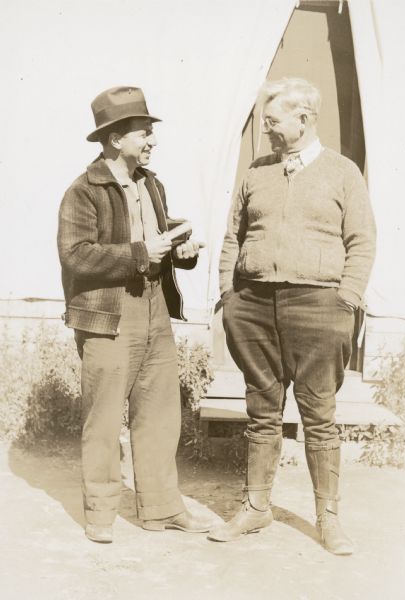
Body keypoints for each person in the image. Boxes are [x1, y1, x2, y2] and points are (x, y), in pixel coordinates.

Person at [208, 78, 376, 555]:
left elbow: (362, 241)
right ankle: (256, 508)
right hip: (254, 305)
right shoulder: (256, 173)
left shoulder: (343, 173)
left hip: (320, 306)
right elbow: (232, 239)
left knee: (319, 415)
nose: (265, 128)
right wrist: (229, 293)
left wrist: (346, 300)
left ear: (304, 120)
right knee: (262, 412)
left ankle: (329, 519)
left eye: (273, 119)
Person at [58, 86, 211, 543]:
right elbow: (76, 255)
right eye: (143, 133)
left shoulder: (151, 183)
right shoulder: (83, 191)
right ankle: (101, 514)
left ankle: (162, 509)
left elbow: (155, 242)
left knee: (160, 413)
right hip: (108, 314)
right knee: (104, 419)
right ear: (114, 139)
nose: (151, 141)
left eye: (150, 133)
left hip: (154, 308)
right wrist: (143, 251)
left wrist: (180, 249)